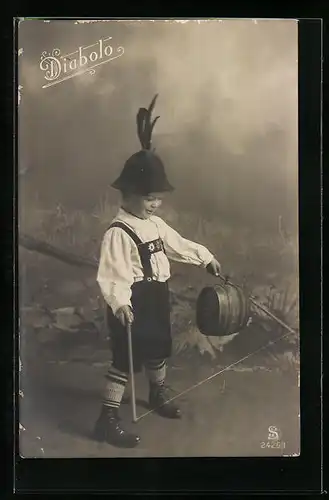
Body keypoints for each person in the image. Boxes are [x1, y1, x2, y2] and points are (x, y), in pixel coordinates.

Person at [94, 95, 221, 448]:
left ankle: (158, 392)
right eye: (150, 198)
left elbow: (178, 244)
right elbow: (112, 275)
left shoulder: (156, 225)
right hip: (131, 302)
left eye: (158, 198)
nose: (156, 204)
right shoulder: (119, 233)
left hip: (156, 296)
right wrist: (120, 304)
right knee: (125, 358)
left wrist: (204, 257)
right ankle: (106, 419)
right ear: (130, 193)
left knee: (157, 347)